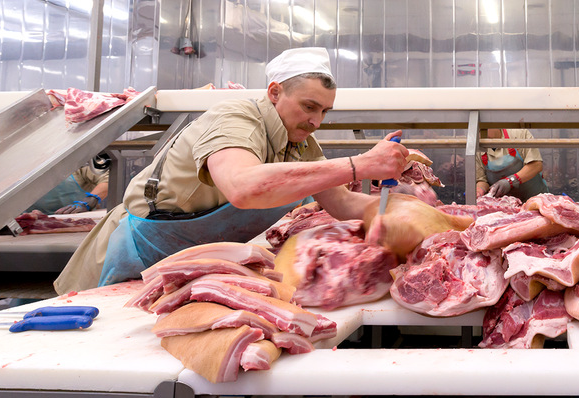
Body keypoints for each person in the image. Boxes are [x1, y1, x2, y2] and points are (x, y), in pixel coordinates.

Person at [53, 48, 409, 294]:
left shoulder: (300, 144)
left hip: (200, 269)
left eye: (325, 112)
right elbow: (242, 187)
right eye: (309, 106)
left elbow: (341, 202)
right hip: (136, 257)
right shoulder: (235, 118)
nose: (316, 121)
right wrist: (358, 164)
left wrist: (412, 216)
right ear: (274, 92)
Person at [474, 128, 549, 202]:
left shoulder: (519, 134)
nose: (480, 136)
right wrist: (480, 190)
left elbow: (536, 165)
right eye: (478, 132)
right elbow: (482, 180)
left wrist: (510, 181)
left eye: (482, 130)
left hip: (535, 201)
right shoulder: (479, 147)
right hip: (506, 206)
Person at [26, 153, 111, 214]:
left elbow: (107, 180)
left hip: (77, 219)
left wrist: (88, 202)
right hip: (32, 222)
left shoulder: (77, 161)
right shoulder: (22, 169)